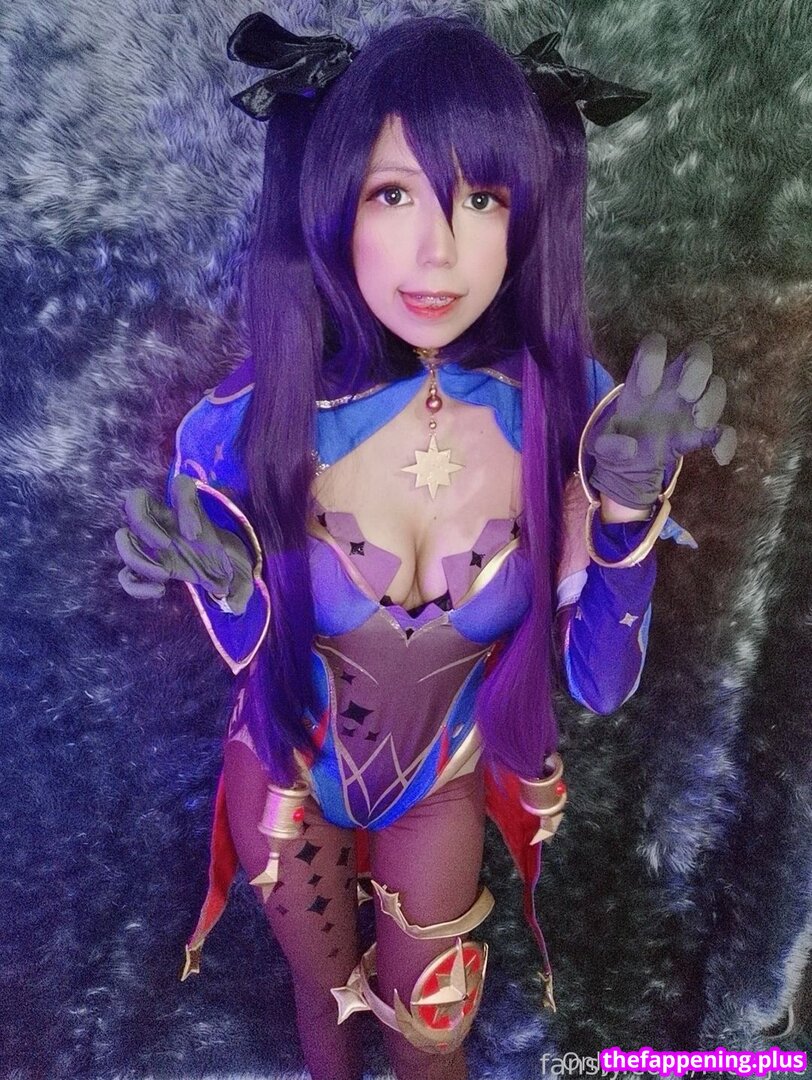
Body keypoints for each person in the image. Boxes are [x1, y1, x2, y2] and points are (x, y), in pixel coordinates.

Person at [116, 14, 735, 1080]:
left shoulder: (580, 419)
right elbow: (249, 640)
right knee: (325, 1008)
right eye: (393, 194)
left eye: (481, 199)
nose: (438, 252)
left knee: (431, 1033)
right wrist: (229, 582)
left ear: (527, 213)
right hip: (285, 772)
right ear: (333, 203)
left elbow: (599, 683)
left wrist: (623, 523)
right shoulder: (250, 419)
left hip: (438, 782)